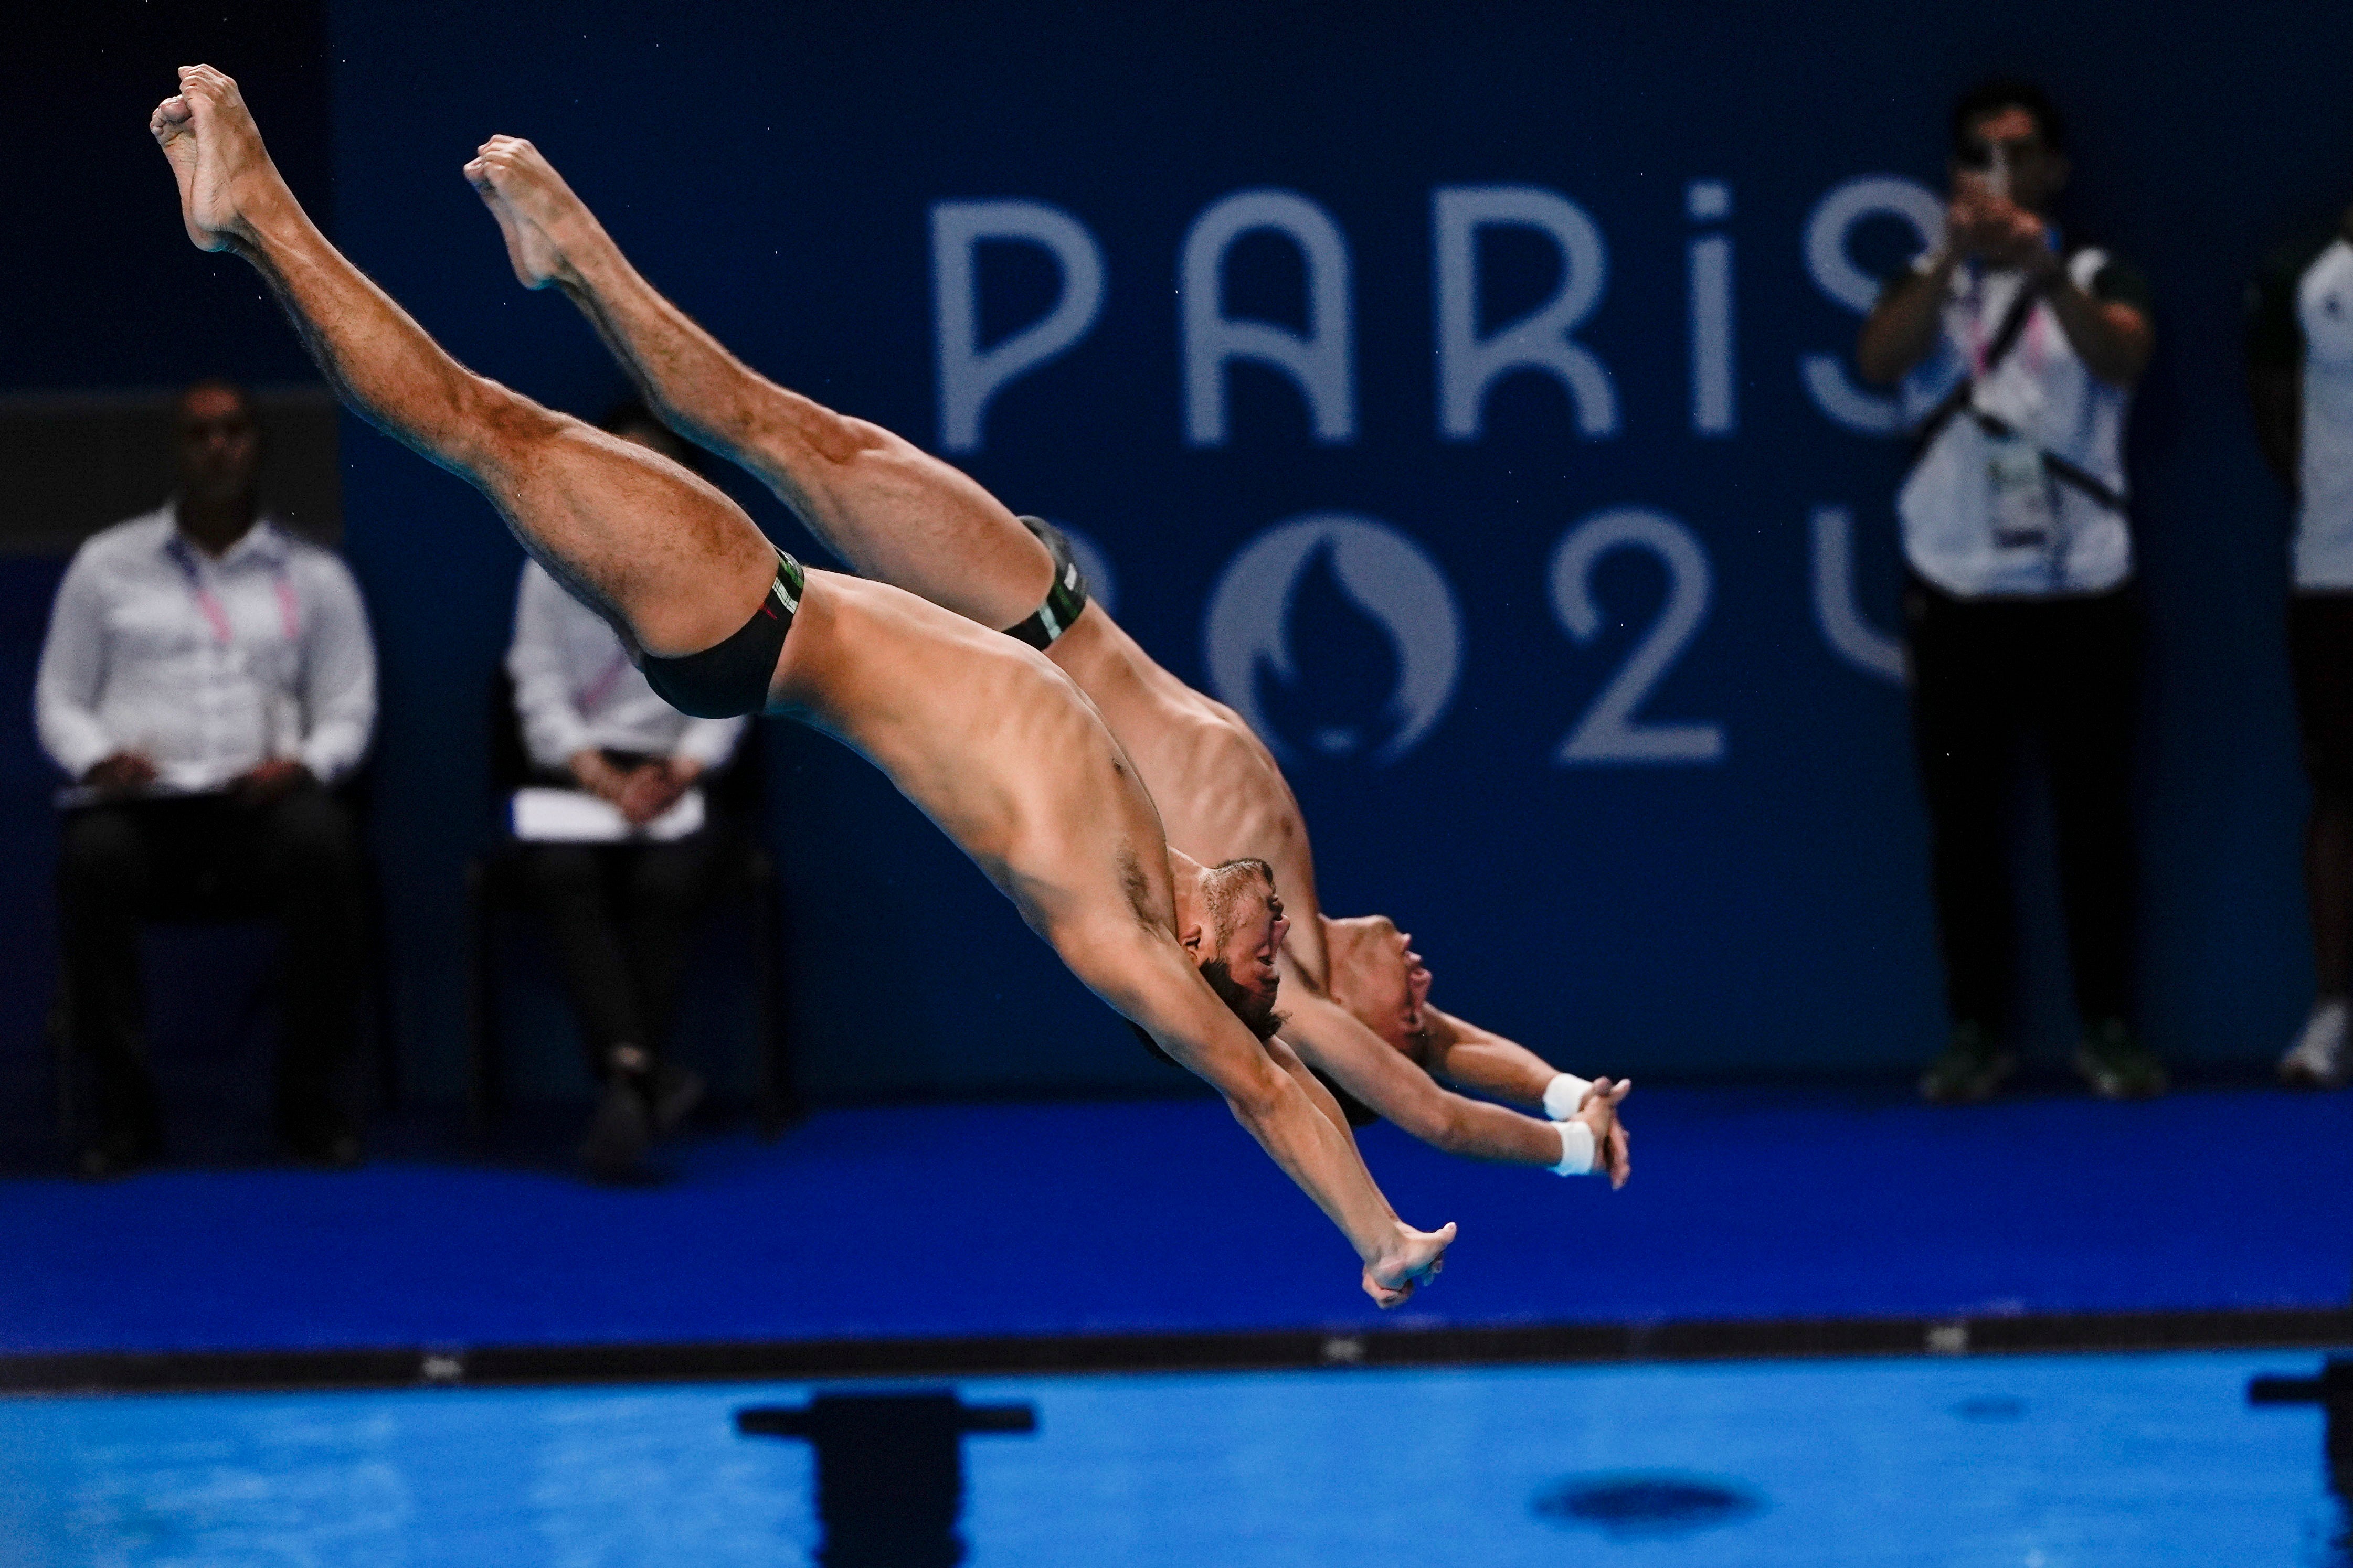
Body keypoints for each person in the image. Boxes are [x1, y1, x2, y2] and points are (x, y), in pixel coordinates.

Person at [147, 65, 1507, 1304]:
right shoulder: (1171, 846)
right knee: (711, 419)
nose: (1290, 967)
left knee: (481, 426)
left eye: (1263, 974)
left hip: (752, 623)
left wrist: (1376, 1232)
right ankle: (560, 251)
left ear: (1195, 965)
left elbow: (1271, 1085)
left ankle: (255, 217)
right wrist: (1554, 1102)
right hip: (778, 598)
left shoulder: (1116, 926)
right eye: (1286, 970)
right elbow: (1384, 1048)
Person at [460, 135, 1633, 1187]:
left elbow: (1432, 1111)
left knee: (782, 436)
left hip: (1023, 628)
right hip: (1043, 606)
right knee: (790, 436)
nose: (1430, 992)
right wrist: (1563, 1088)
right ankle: (575, 271)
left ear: (1360, 1046)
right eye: (1430, 1006)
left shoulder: (1296, 1005)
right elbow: (1453, 1055)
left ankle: (579, 263)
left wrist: (1564, 1152)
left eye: (1412, 1010)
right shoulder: (1302, 937)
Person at [1856, 79, 2163, 1103]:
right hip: (1956, 595)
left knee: (2094, 820)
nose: (1999, 170)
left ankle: (2109, 1029)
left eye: (2018, 152)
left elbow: (2121, 356)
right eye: (1978, 154)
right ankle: (1975, 1032)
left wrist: (2035, 264)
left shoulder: (2092, 269)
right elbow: (1874, 361)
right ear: (1953, 175)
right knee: (1965, 826)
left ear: (2052, 171)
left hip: (2082, 591)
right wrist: (1953, 258)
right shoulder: (1919, 279)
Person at [36, 377, 377, 1174]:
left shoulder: (313, 577)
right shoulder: (106, 566)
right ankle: (124, 1116)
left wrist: (302, 763)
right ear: (176, 450)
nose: (218, 446)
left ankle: (308, 1106)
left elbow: (350, 707)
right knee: (92, 858)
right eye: (200, 433)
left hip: (263, 810)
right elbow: (58, 697)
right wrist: (97, 758)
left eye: (233, 431)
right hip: (145, 814)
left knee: (327, 846)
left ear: (258, 446)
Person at [507, 406, 751, 1175]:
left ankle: (625, 1076)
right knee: (558, 873)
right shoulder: (548, 561)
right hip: (587, 779)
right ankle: (640, 1075)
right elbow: (536, 686)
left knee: (666, 883)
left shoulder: (719, 563)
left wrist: (680, 773)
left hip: (680, 777)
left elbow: (741, 685)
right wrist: (606, 782)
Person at [2247, 198, 2353, 1089]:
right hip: (2335, 574)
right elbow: (2277, 424)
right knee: (2340, 794)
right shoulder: (2305, 271)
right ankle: (2333, 1012)